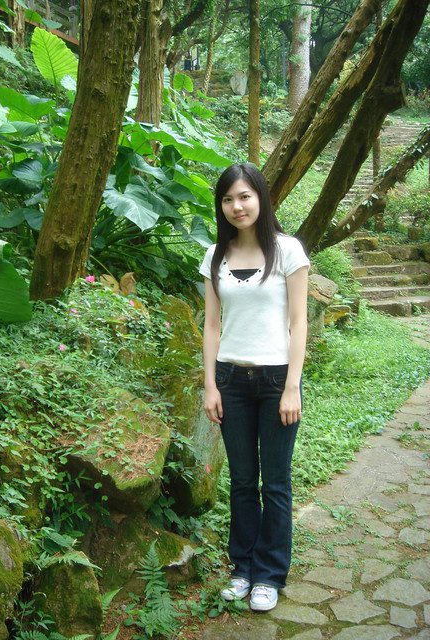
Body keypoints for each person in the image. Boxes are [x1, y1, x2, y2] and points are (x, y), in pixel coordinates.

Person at [198, 163, 310, 612]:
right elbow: (211, 326)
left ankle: (269, 575)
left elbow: (299, 323)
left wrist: (292, 387)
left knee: (275, 483)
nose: (237, 206)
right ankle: (242, 569)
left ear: (260, 198)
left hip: (276, 379)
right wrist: (210, 385)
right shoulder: (215, 256)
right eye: (228, 199)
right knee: (243, 481)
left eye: (244, 196)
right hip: (231, 380)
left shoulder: (287, 251)